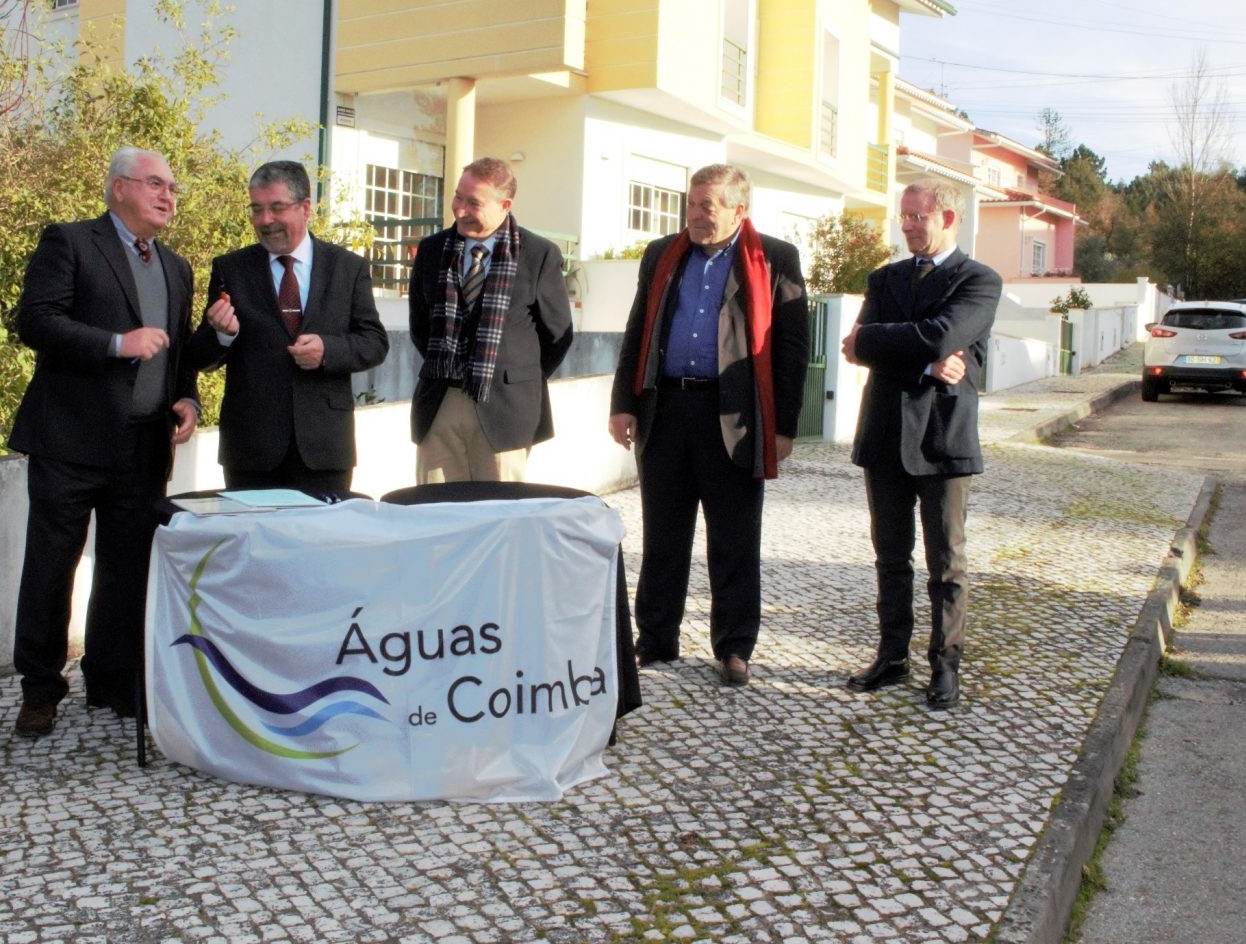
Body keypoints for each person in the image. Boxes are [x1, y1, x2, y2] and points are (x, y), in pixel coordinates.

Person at [7, 147, 200, 737]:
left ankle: (112, 681)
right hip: (69, 440)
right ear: (118, 188)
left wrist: (188, 397)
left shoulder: (176, 267)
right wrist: (117, 344)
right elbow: (35, 321)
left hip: (142, 448)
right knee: (52, 568)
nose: (168, 196)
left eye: (172, 187)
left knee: (126, 571)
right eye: (155, 184)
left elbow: (178, 353)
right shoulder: (69, 242)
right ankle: (40, 689)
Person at [609, 164, 809, 687]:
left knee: (735, 538)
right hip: (667, 410)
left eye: (708, 206)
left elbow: (790, 348)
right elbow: (638, 330)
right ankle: (655, 637)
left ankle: (734, 646)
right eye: (692, 204)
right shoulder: (662, 255)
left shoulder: (775, 258)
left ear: (739, 210)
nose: (695, 215)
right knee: (663, 533)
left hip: (736, 417)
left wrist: (784, 426)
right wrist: (623, 402)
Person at [841, 176, 1002, 710]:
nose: (906, 225)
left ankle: (945, 664)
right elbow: (855, 344)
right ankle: (891, 656)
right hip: (884, 433)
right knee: (890, 556)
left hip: (942, 438)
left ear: (948, 218)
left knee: (946, 561)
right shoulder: (883, 277)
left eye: (918, 217)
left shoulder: (978, 280)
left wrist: (897, 342)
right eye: (903, 216)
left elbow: (939, 333)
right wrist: (927, 358)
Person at [184, 160, 387, 496]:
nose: (265, 221)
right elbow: (199, 357)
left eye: (277, 208)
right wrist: (222, 334)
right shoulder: (231, 269)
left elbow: (374, 343)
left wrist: (327, 351)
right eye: (257, 209)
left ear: (305, 208)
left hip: (323, 448)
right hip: (251, 449)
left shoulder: (347, 267)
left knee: (318, 545)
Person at [408, 157, 574, 483]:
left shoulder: (539, 254)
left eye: (473, 203)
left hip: (506, 412)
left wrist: (511, 375)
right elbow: (420, 326)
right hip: (441, 401)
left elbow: (556, 336)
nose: (459, 210)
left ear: (505, 204)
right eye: (458, 197)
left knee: (501, 518)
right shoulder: (431, 250)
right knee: (435, 513)